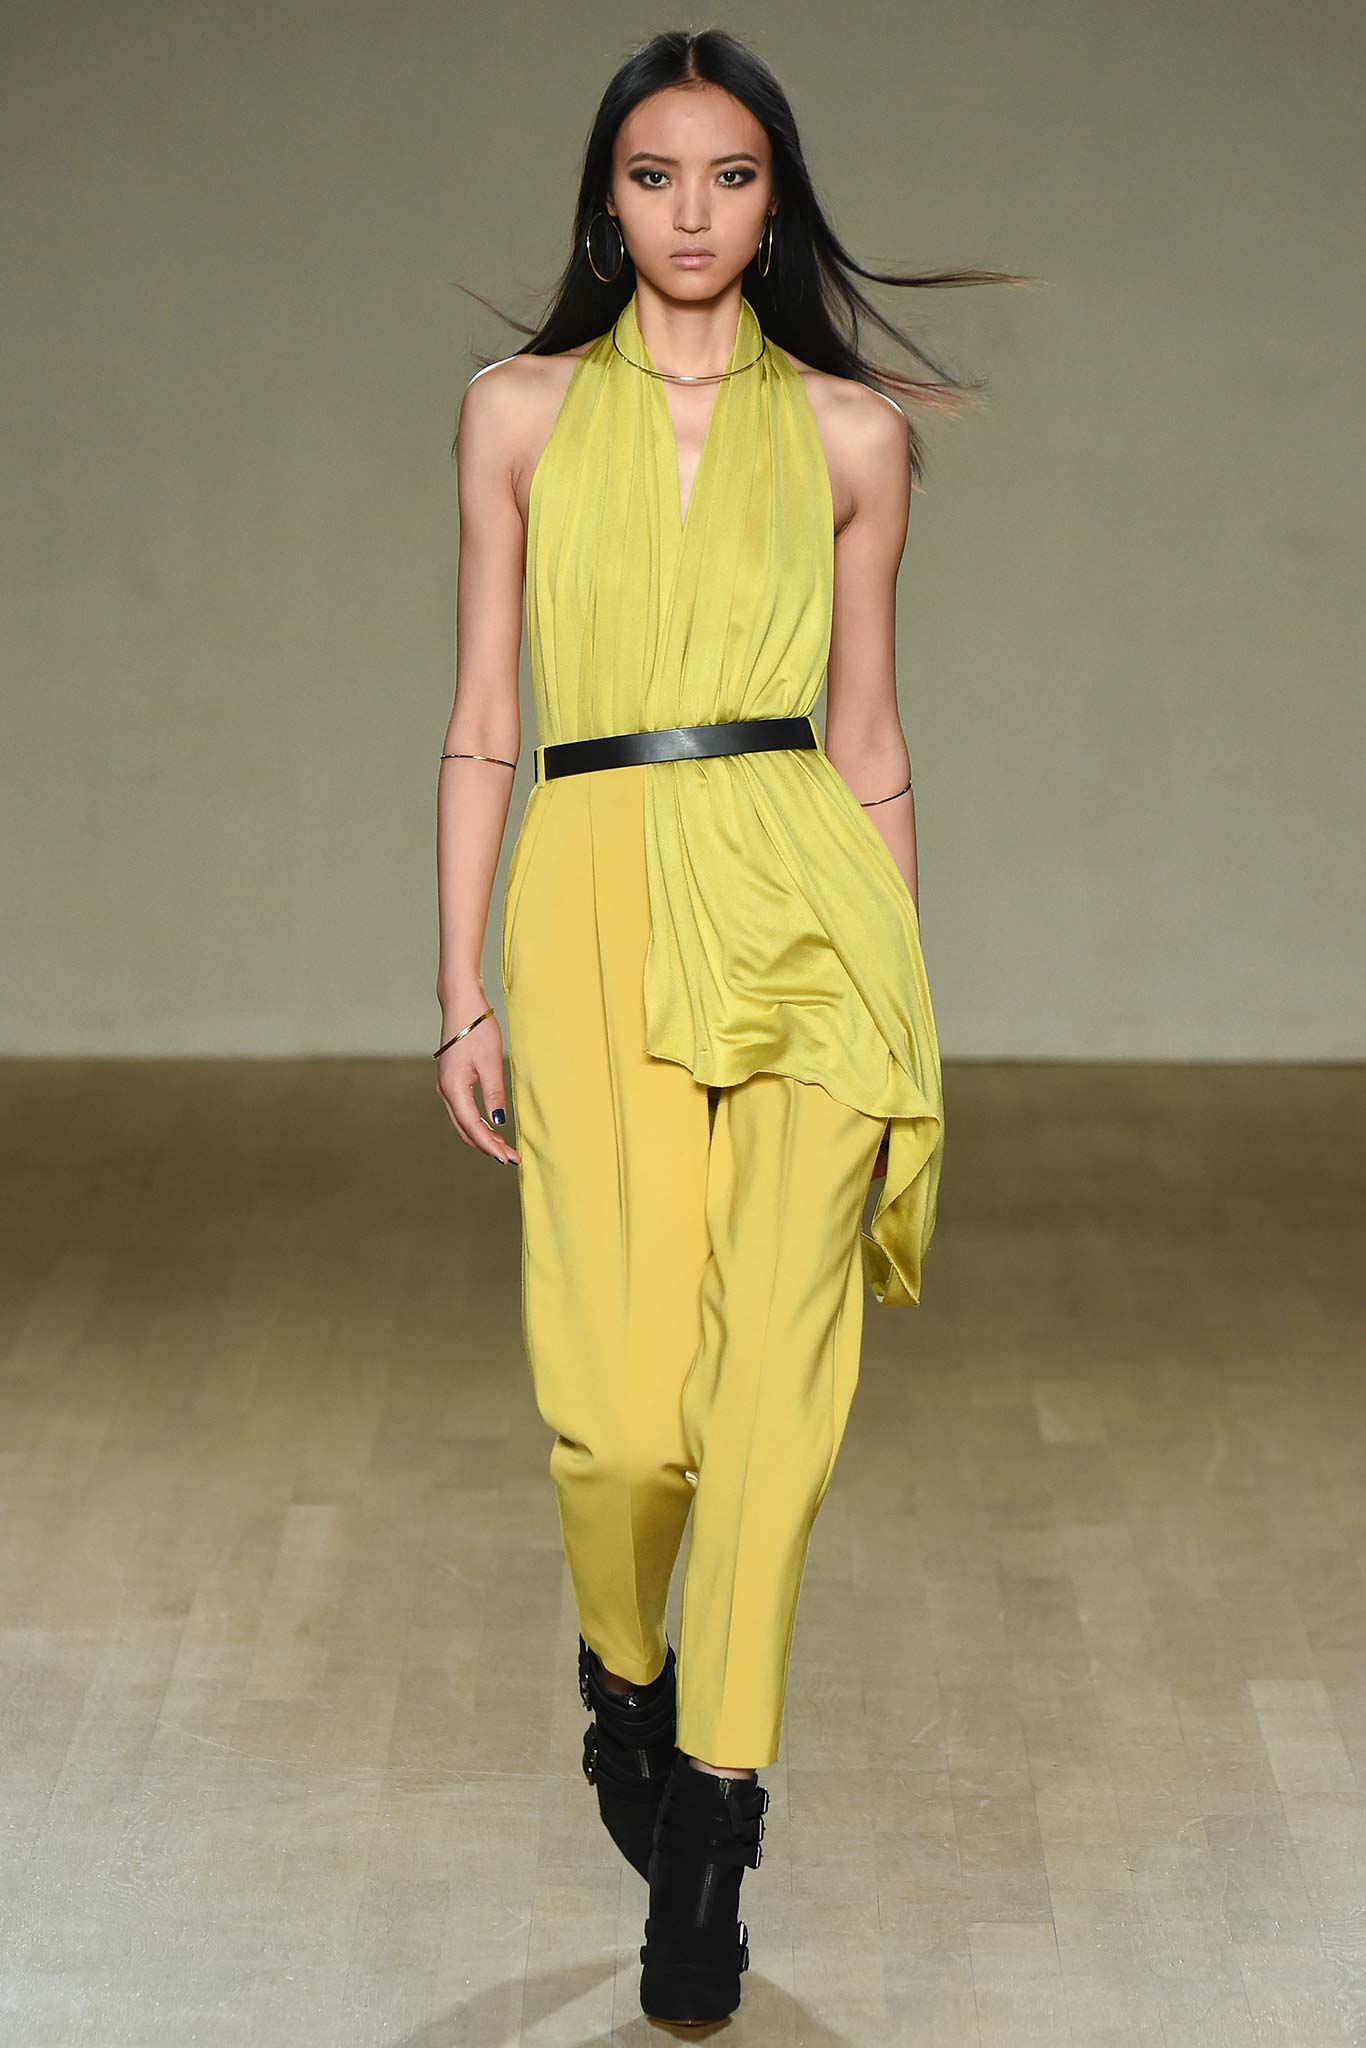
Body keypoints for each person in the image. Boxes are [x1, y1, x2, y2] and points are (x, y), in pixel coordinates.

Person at [434, 29, 1028, 2026]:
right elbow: (482, 719)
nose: (691, 212)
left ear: (776, 203)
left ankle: (712, 1828)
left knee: (774, 1402)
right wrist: (457, 983)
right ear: (604, 199)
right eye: (653, 173)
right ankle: (626, 1680)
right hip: (591, 897)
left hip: (805, 911)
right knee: (620, 1421)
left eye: (731, 174)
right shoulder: (515, 412)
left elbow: (869, 738)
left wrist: (906, 992)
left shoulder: (853, 436)